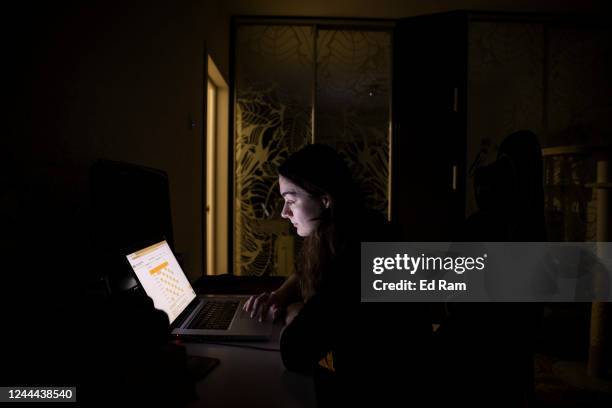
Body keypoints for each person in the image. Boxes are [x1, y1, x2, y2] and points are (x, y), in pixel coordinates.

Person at [244, 143, 433, 406]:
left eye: (290, 201)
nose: (284, 213)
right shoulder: (346, 228)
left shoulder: (359, 252)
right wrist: (280, 296)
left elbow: (295, 351)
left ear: (325, 200)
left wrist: (295, 312)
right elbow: (304, 274)